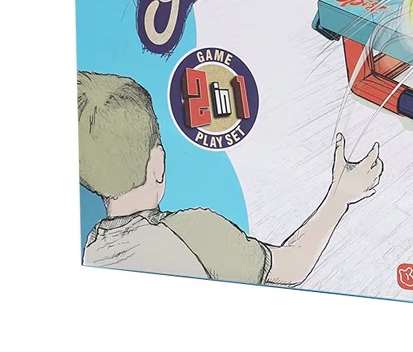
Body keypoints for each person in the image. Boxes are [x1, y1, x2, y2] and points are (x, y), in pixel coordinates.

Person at [77, 71, 381, 286]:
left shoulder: (94, 248)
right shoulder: (195, 232)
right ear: (158, 163)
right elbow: (293, 266)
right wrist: (340, 195)